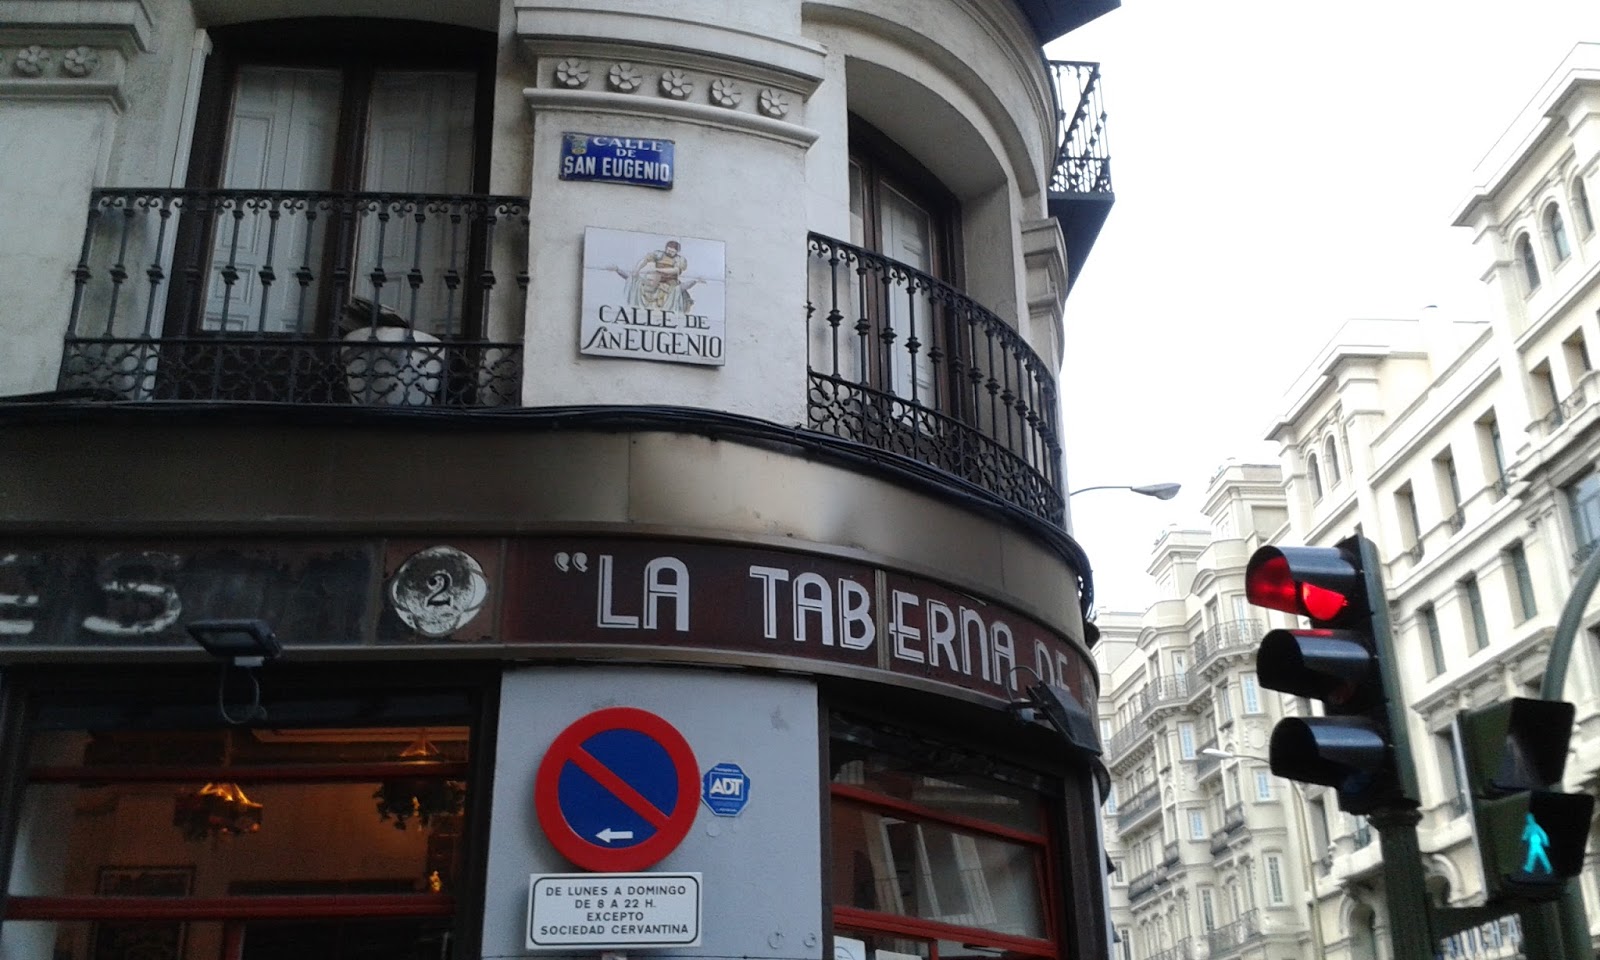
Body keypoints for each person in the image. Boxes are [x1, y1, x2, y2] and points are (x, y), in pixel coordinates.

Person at [613, 240, 697, 313]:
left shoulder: (679, 259)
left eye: (672, 251)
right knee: (639, 285)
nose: (669, 252)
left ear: (677, 252)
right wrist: (637, 269)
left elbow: (676, 270)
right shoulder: (659, 254)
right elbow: (645, 260)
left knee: (672, 292)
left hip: (670, 281)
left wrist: (658, 270)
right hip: (656, 279)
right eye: (668, 250)